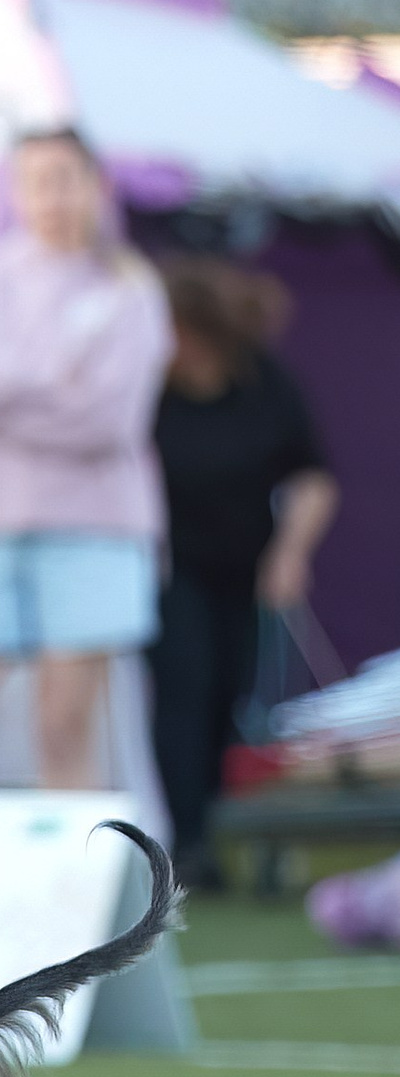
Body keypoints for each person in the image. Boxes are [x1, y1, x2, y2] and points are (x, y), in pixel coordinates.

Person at [0, 127, 172, 790]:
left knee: (66, 733)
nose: (52, 196)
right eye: (36, 181)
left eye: (66, 178)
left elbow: (106, 419)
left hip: (90, 534)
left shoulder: (129, 291)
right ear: (16, 192)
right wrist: (47, 376)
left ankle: (72, 891)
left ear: (96, 186)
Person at [147, 257, 340, 881]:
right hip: (170, 572)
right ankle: (185, 840)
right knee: (184, 688)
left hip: (247, 571)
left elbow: (313, 475)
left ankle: (212, 821)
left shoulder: (265, 383)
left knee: (230, 691)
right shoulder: (146, 391)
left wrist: (290, 553)